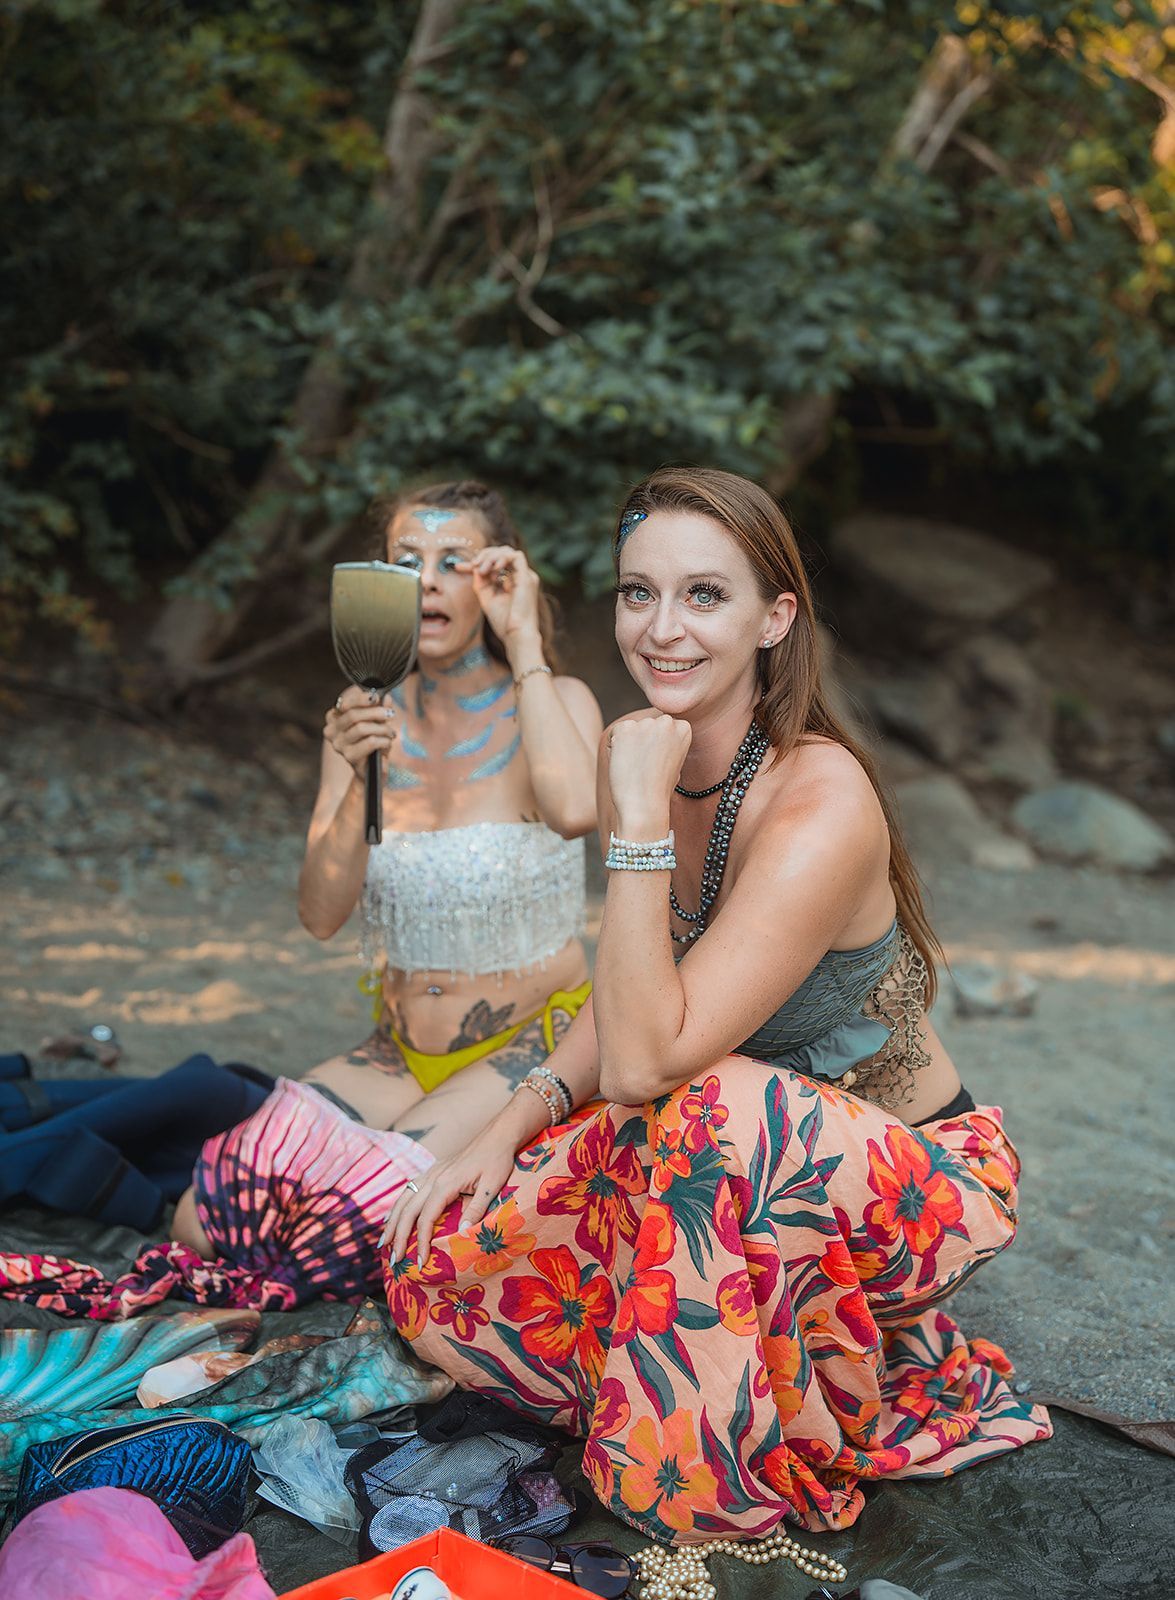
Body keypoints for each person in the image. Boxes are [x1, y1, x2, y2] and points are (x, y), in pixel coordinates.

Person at [382, 467, 1052, 1544]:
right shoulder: (660, 758)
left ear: (772, 618)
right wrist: (511, 1122)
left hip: (917, 1188)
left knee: (700, 1100)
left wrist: (635, 815)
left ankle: (699, 1463)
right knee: (446, 1254)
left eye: (703, 595)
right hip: (741, 1177)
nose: (661, 629)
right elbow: (637, 987)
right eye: (636, 593)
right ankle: (787, 1344)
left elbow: (650, 1061)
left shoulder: (820, 799)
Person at [166, 480, 603, 1307]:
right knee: (206, 1218)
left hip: (529, 1043)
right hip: (396, 1050)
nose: (430, 580)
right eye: (409, 562)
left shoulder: (554, 699)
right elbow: (321, 914)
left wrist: (526, 641)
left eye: (454, 562)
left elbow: (577, 809)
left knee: (362, 1227)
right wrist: (358, 773)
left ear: (494, 580)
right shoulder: (360, 715)